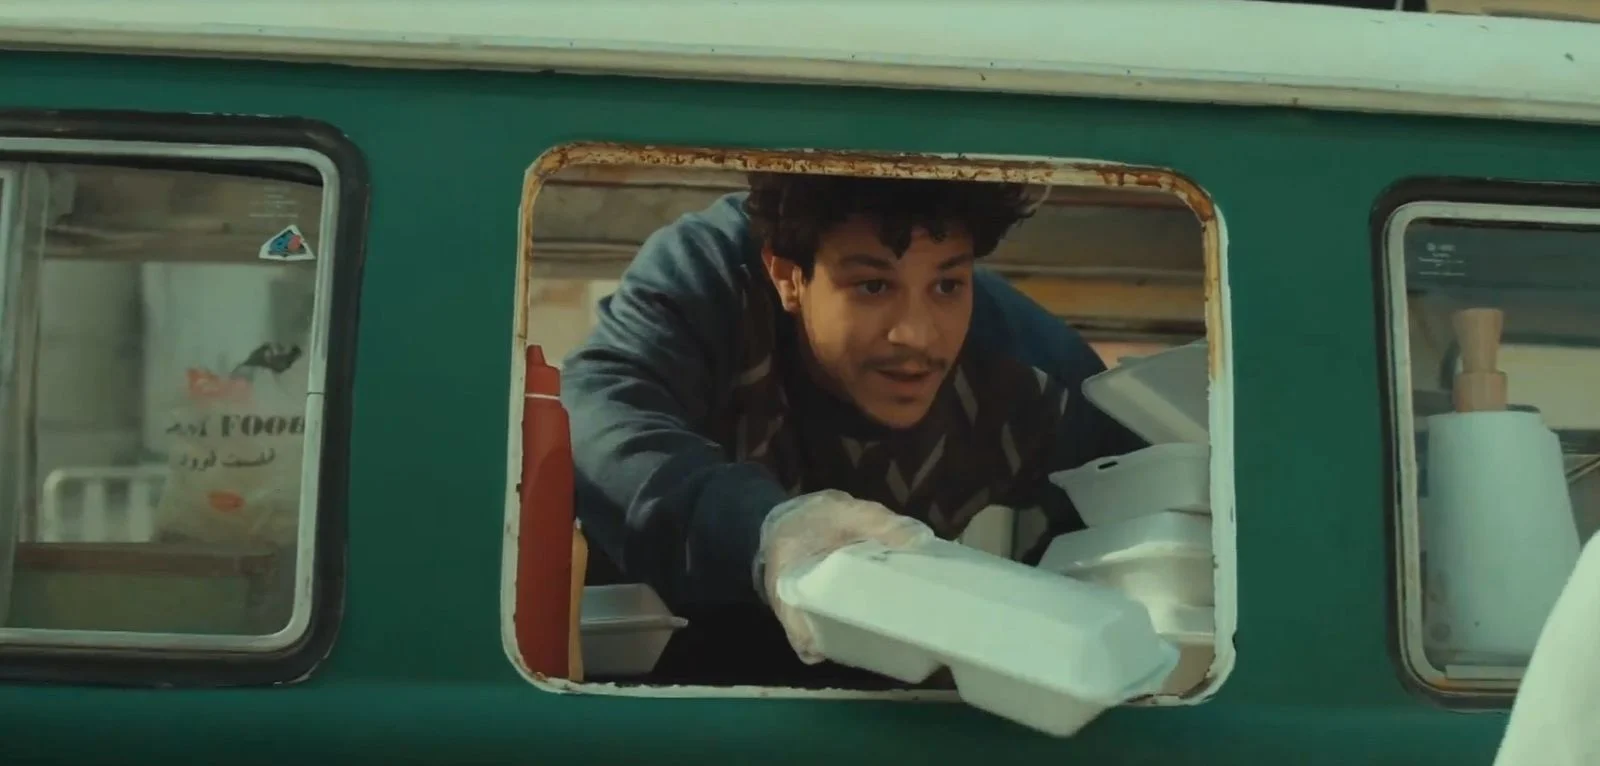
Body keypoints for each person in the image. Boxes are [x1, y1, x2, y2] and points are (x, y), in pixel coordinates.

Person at [561, 172, 1144, 687]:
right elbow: (598, 423)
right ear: (787, 276)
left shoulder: (1030, 373)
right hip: (652, 685)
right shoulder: (713, 279)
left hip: (879, 705)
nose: (917, 335)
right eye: (873, 286)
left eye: (948, 285)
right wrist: (767, 532)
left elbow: (1142, 520)